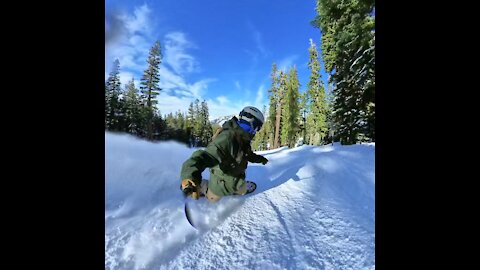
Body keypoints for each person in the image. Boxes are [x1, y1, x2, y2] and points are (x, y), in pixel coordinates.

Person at [180, 106, 269, 203]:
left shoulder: (243, 138)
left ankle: (237, 189)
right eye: (257, 127)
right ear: (251, 123)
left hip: (237, 179)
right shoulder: (227, 138)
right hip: (220, 182)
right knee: (212, 199)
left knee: (242, 190)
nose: (256, 131)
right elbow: (203, 157)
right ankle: (201, 186)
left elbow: (248, 154)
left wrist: (260, 159)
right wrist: (189, 176)